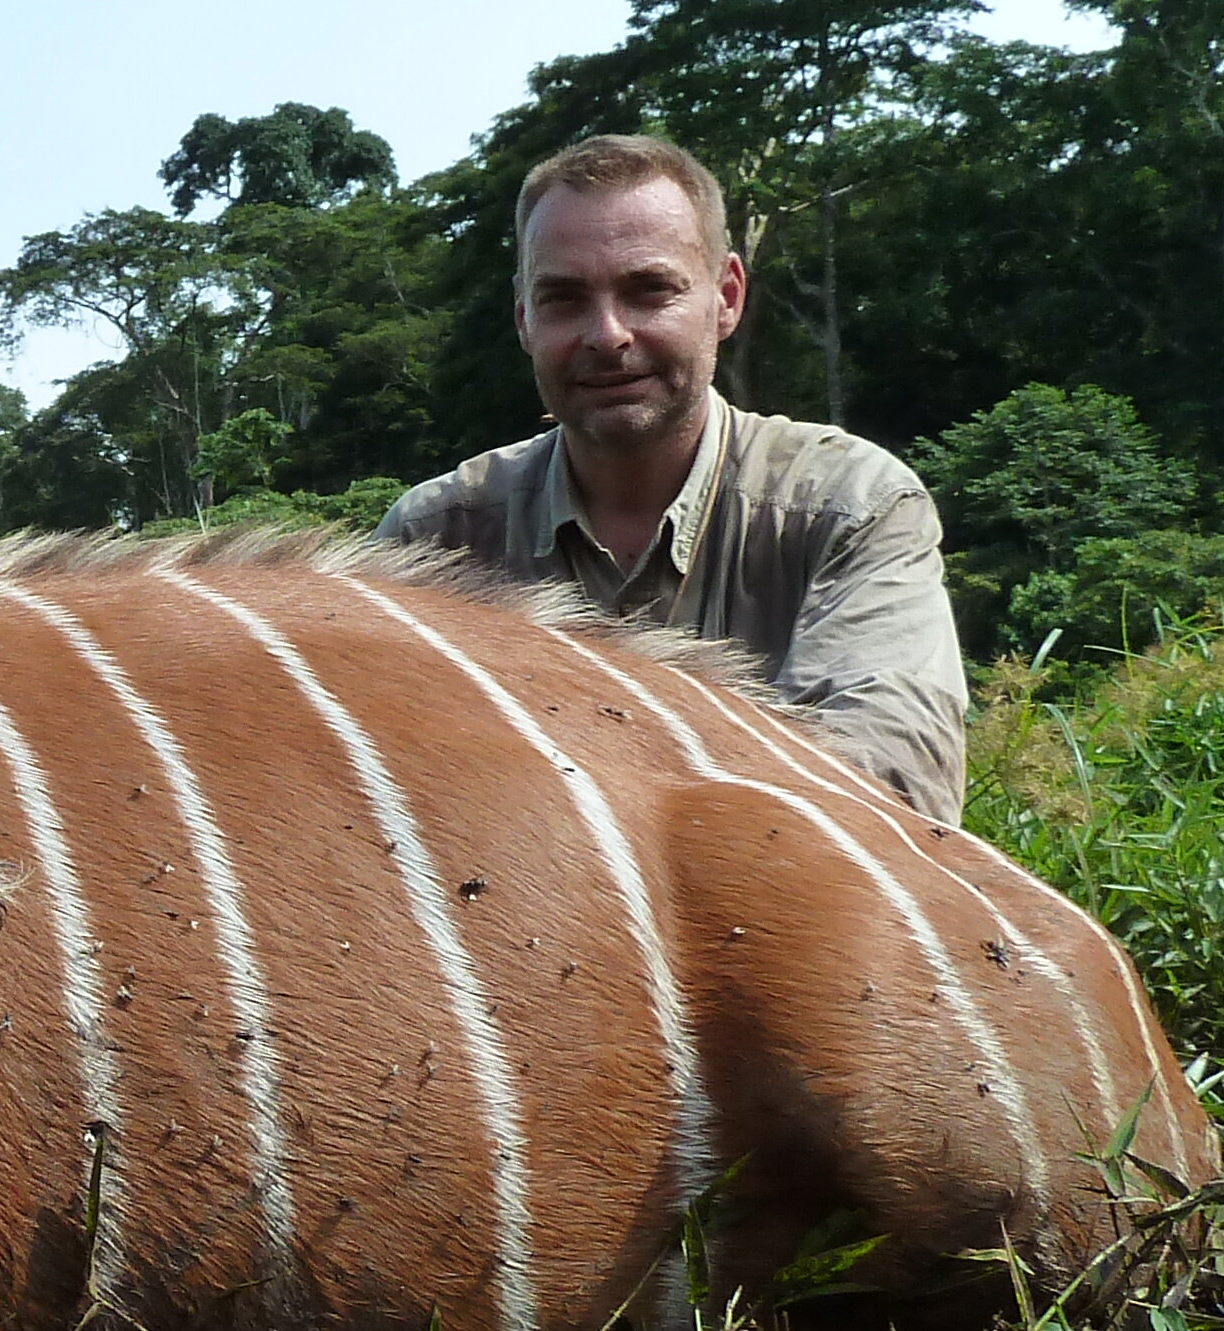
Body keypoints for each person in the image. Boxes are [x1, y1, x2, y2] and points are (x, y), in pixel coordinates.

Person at [375, 132, 970, 821]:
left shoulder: (850, 507)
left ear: (726, 297)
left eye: (648, 290)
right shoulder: (432, 540)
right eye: (564, 300)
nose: (607, 335)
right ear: (524, 320)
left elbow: (886, 796)